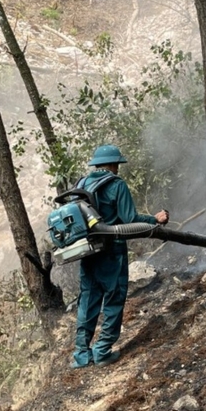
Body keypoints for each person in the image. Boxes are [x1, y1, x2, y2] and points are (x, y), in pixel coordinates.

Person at [71, 144, 169, 369]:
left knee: (88, 299)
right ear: (114, 164)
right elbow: (129, 218)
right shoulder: (116, 185)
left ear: (96, 165)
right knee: (114, 298)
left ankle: (81, 355)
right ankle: (102, 351)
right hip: (112, 250)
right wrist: (155, 220)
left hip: (88, 251)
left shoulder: (81, 184)